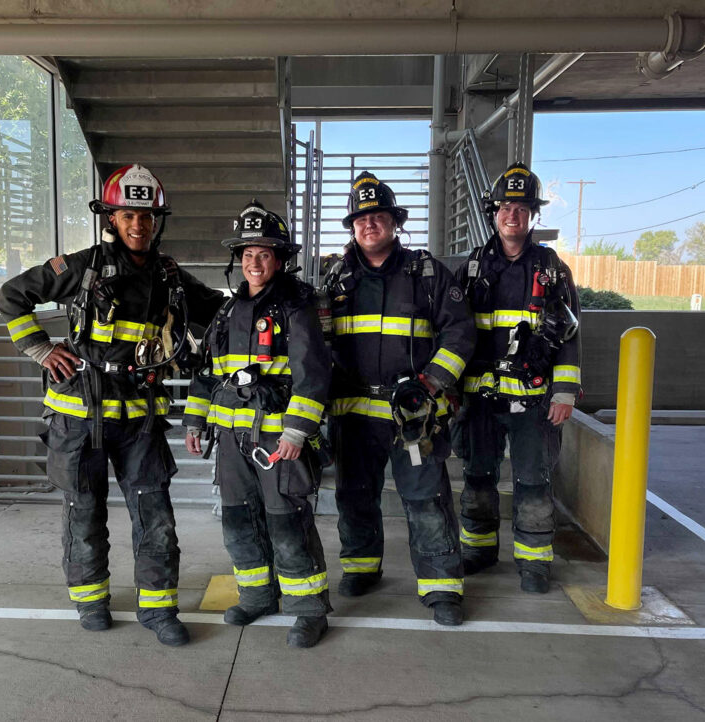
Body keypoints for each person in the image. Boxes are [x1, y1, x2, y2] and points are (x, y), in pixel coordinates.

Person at [0, 164, 225, 646]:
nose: (138, 226)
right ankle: (91, 601)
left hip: (140, 422)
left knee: (156, 516)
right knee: (84, 511)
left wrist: (271, 298)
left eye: (146, 217)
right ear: (111, 219)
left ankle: (158, 610)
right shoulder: (80, 268)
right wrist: (41, 348)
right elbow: (11, 296)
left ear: (157, 221)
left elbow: (223, 315)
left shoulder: (170, 278)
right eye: (128, 216)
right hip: (79, 421)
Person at [323, 171, 475, 626]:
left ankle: (442, 586)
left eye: (379, 216)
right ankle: (362, 568)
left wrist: (430, 383)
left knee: (426, 497)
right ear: (352, 226)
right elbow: (319, 344)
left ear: (395, 221)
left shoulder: (426, 273)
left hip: (414, 415)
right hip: (354, 415)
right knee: (354, 495)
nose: (370, 224)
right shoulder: (336, 278)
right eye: (361, 218)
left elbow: (460, 333)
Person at [183, 200, 332, 648]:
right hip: (231, 442)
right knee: (238, 521)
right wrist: (195, 421)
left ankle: (308, 609)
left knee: (288, 522)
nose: (254, 262)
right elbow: (208, 371)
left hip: (277, 441)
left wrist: (295, 433)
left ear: (281, 258)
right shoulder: (227, 311)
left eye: (264, 253)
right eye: (247, 254)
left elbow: (313, 372)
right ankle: (257, 595)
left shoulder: (296, 305)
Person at [452, 162, 582, 594]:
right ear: (493, 212)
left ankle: (534, 562)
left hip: (534, 401)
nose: (514, 216)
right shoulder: (471, 268)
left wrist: (564, 390)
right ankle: (479, 550)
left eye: (523, 208)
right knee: (478, 477)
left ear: (532, 216)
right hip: (480, 400)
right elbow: (452, 333)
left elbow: (569, 334)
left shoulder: (552, 269)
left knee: (533, 481)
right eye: (506, 207)